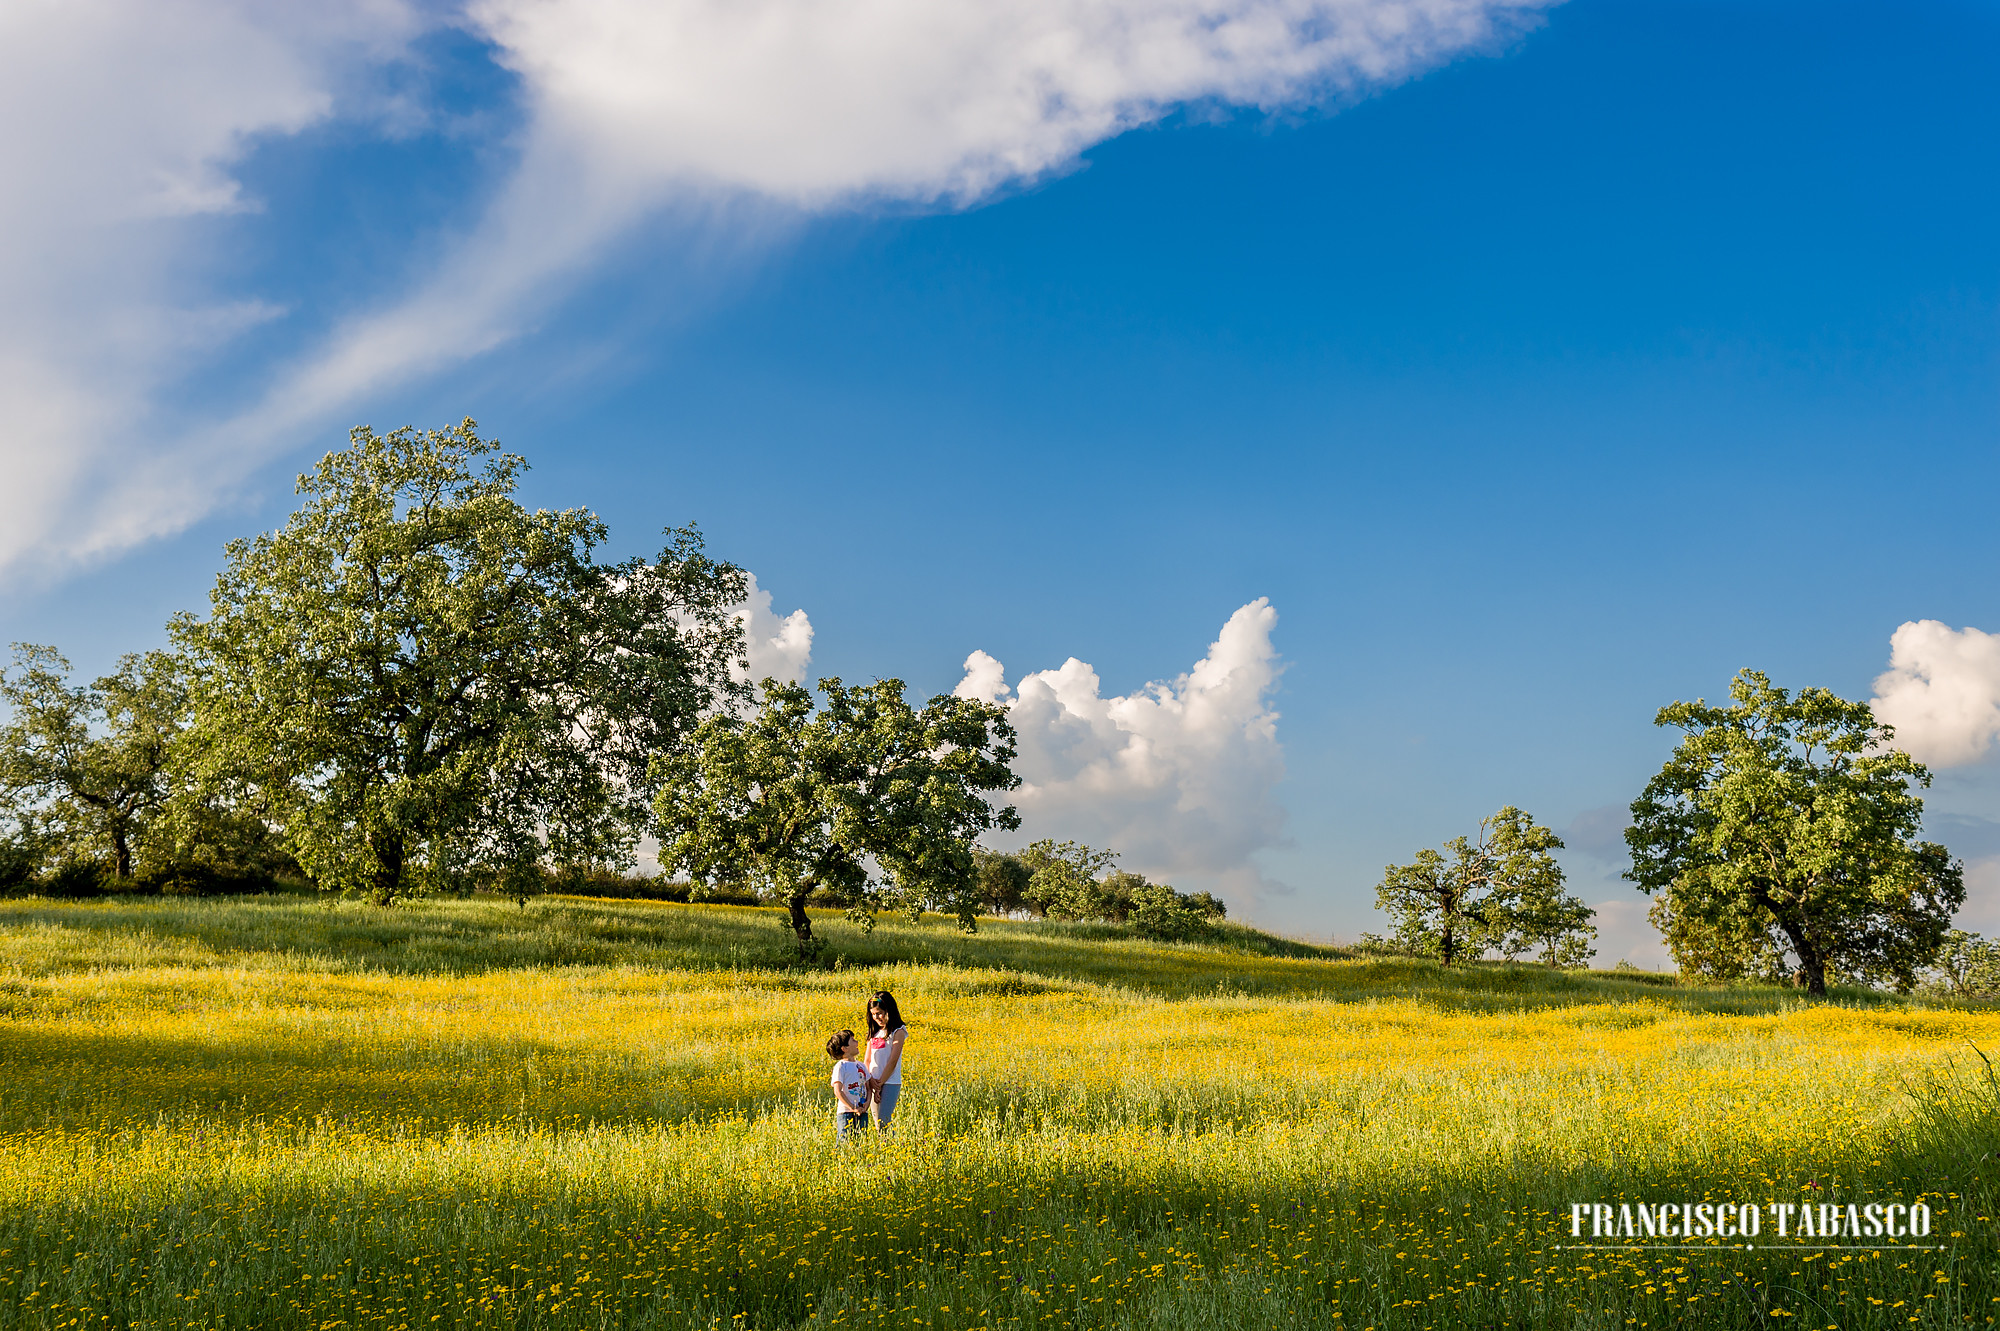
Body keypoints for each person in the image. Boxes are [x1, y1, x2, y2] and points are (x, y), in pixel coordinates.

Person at [863, 990, 909, 1134]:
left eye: (880, 1013)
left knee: (884, 1119)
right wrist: (869, 1081)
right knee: (877, 1122)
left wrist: (880, 1083)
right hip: (873, 1082)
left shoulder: (898, 1031)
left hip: (890, 1082)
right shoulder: (874, 1032)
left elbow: (892, 1061)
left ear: (889, 1010)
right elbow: (867, 1059)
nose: (877, 1017)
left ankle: (892, 1149)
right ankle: (883, 1149)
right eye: (873, 1014)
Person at [826, 1029, 868, 1142]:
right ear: (845, 1048)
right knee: (844, 1142)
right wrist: (852, 1108)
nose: (857, 1042)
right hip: (846, 1112)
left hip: (862, 1110)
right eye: (853, 1040)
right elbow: (838, 1091)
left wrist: (866, 1105)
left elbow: (867, 1086)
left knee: (862, 1141)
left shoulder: (861, 1066)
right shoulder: (840, 1066)